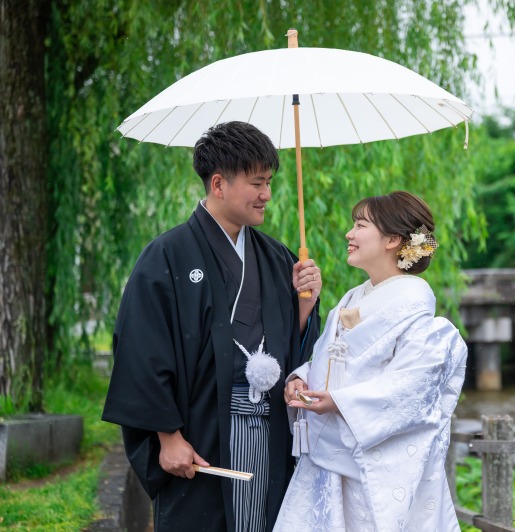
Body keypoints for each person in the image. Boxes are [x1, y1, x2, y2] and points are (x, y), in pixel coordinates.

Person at [102, 121, 321, 531]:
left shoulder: (276, 257)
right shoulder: (165, 256)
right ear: (218, 184)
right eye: (257, 183)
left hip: (269, 432)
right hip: (200, 433)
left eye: (269, 182)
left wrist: (305, 307)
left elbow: (292, 351)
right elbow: (142, 351)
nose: (267, 195)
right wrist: (166, 436)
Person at [273, 191, 468, 532]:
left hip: (370, 463)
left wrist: (341, 402)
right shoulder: (353, 297)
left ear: (393, 239)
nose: (349, 234)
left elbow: (412, 389)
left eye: (360, 225)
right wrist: (302, 379)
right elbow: (329, 360)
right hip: (329, 457)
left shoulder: (417, 312)